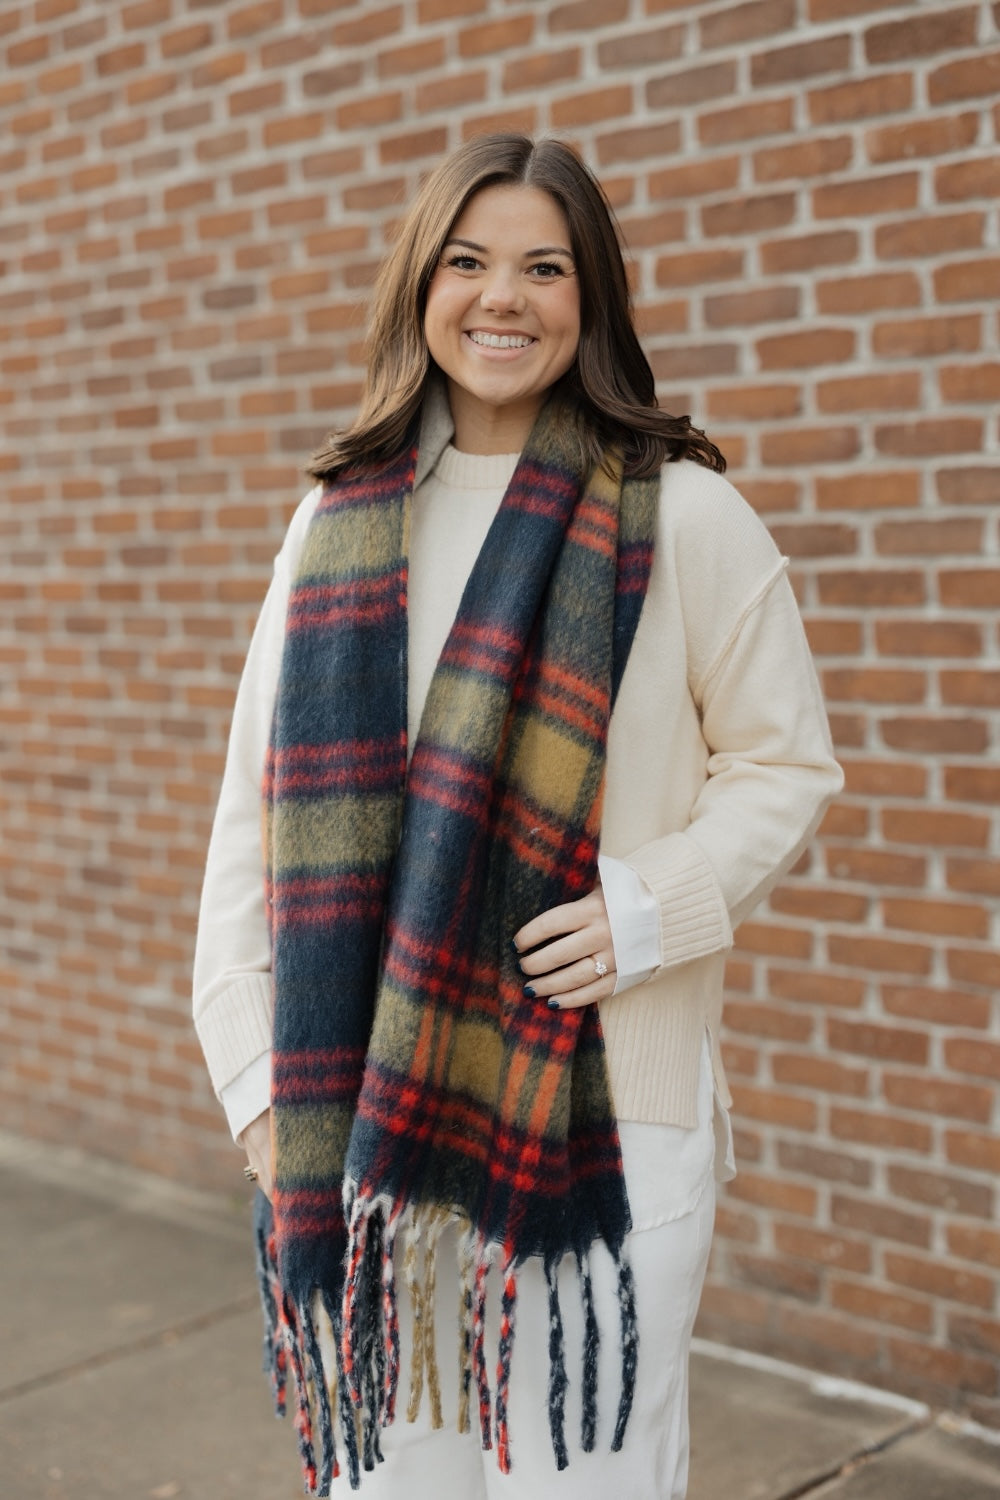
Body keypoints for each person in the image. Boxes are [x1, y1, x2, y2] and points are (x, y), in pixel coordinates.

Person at [192, 134, 842, 1499]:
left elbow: (787, 768)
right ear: (421, 285)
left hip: (606, 1116)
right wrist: (264, 1096)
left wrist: (647, 909)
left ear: (590, 298)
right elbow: (252, 832)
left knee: (587, 1478)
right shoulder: (335, 525)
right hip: (371, 1118)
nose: (505, 296)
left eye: (546, 266)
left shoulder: (687, 515)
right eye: (470, 261)